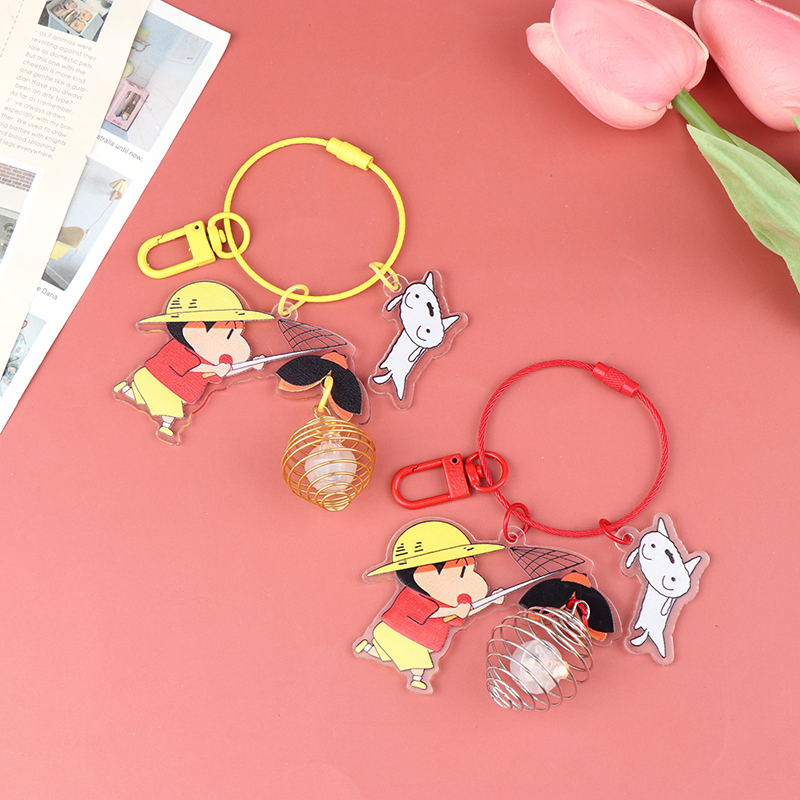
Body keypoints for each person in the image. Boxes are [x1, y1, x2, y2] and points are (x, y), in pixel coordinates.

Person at [355, 520, 504, 692]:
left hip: (422, 639)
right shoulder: (414, 596)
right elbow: (431, 612)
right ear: (424, 573)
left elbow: (467, 611)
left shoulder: (447, 601)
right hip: (398, 632)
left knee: (396, 655)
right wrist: (456, 609)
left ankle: (369, 649)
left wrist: (491, 600)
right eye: (462, 572)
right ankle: (416, 679)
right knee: (412, 660)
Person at [114, 281, 272, 442]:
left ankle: (129, 393)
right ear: (194, 330)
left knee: (155, 400)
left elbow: (226, 371)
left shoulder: (210, 360)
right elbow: (191, 366)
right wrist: (215, 369)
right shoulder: (179, 349)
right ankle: (164, 424)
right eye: (229, 334)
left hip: (177, 391)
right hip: (159, 381)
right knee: (164, 405)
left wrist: (252, 365)